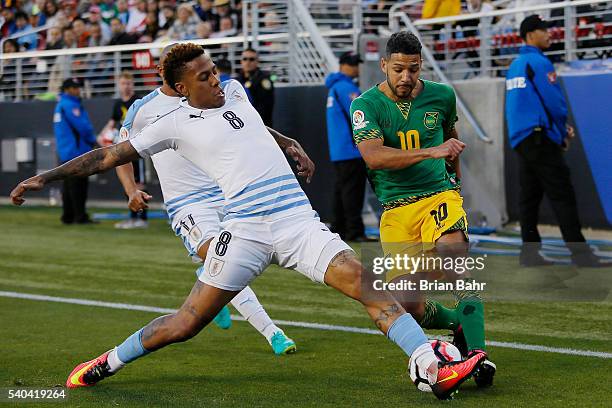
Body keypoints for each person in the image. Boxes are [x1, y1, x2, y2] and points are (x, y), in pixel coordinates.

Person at [10, 43, 485, 401]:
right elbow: (107, 154)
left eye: (213, 70)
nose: (215, 80)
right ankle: (108, 361)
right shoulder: (170, 125)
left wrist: (289, 142)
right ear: (180, 89)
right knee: (185, 323)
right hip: (245, 232)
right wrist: (44, 177)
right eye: (202, 77)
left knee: (366, 285)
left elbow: (253, 125)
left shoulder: (235, 90)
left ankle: (428, 364)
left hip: (298, 222)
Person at [113, 44, 298, 355]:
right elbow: (118, 154)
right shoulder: (142, 110)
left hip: (226, 193)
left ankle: (209, 284)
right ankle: (273, 332)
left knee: (222, 264)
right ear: (165, 73)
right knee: (217, 255)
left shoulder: (211, 96)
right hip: (187, 204)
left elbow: (249, 126)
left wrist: (285, 142)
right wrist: (131, 190)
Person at [350, 31, 495, 387]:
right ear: (383, 65)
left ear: (421, 66)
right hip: (396, 210)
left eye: (413, 69)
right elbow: (374, 156)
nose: (405, 77)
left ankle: (477, 356)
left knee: (455, 261)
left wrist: (456, 190)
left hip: (438, 196)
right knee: (408, 304)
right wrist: (432, 152)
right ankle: (456, 323)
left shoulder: (442, 95)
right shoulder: (364, 105)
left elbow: (452, 143)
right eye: (398, 69)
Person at [505, 15, 605, 268]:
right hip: (540, 138)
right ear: (531, 35)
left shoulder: (515, 65)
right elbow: (554, 103)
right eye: (544, 30)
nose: (549, 34)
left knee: (529, 198)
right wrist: (562, 132)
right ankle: (581, 256)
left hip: (521, 139)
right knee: (563, 195)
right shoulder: (539, 62)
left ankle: (529, 254)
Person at [325, 51, 371, 242]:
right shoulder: (346, 87)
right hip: (351, 149)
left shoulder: (335, 87)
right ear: (343, 65)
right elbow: (360, 115)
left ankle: (340, 228)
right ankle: (354, 231)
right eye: (353, 64)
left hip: (339, 150)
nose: (356, 68)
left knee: (342, 191)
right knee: (353, 192)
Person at [102, 71, 147, 229]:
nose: (126, 86)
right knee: (128, 182)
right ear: (119, 85)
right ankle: (132, 217)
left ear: (132, 84)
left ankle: (141, 219)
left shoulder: (138, 101)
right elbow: (112, 123)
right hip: (122, 147)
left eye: (128, 83)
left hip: (136, 147)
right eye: (123, 83)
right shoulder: (118, 103)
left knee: (139, 183)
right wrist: (103, 136)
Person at [52, 77, 97, 225]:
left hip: (66, 152)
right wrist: (93, 141)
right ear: (67, 89)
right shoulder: (70, 105)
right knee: (78, 186)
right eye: (75, 87)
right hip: (77, 152)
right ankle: (80, 217)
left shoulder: (60, 105)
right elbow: (82, 127)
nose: (78, 90)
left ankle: (68, 216)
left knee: (68, 186)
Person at [236, 48, 275, 126]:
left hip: (261, 124)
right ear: (241, 61)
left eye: (251, 59)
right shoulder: (237, 80)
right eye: (245, 59)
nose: (248, 62)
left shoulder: (264, 79)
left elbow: (265, 106)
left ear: (257, 61)